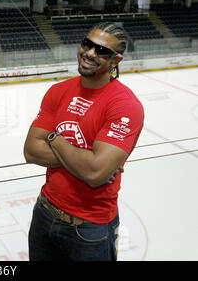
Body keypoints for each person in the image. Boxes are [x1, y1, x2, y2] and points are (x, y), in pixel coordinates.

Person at [23, 22, 144, 261]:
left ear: (115, 61)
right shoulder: (58, 91)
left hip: (89, 229)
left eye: (101, 51)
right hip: (45, 215)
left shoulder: (124, 105)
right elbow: (31, 151)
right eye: (87, 44)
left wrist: (53, 138)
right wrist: (85, 156)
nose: (90, 53)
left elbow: (95, 172)